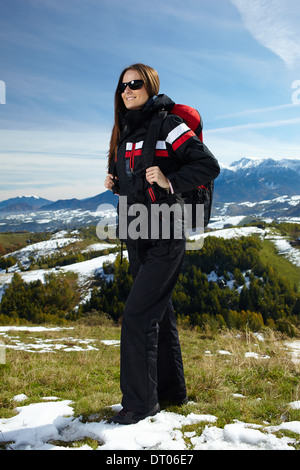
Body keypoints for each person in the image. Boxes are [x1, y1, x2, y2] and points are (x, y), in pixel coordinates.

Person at [105, 63, 220, 424]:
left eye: (135, 84)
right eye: (123, 86)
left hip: (167, 235)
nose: (128, 90)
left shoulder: (169, 124)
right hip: (137, 238)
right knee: (160, 317)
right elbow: (138, 187)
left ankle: (140, 405)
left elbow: (208, 165)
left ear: (150, 86)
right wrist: (116, 184)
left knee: (138, 317)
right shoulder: (124, 133)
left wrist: (171, 179)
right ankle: (171, 393)